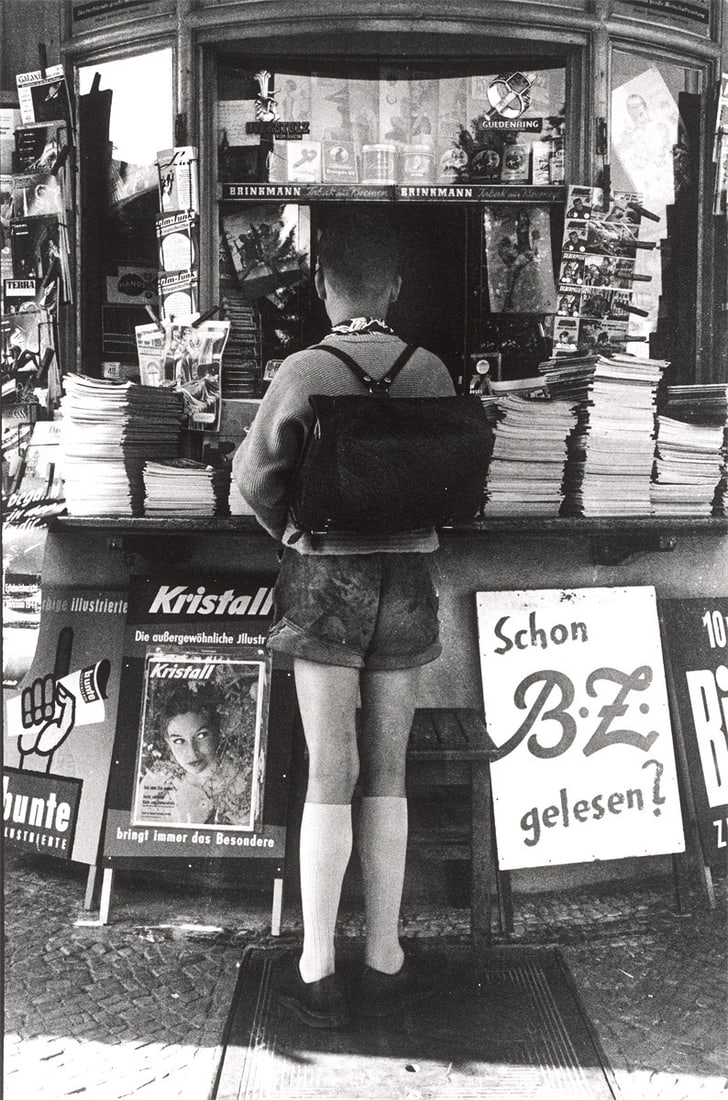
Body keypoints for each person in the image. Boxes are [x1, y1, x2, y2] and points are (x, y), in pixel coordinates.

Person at [233, 209, 453, 1030]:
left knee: (334, 767)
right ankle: (387, 958)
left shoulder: (302, 369)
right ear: (394, 285)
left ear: (322, 283)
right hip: (408, 575)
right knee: (388, 769)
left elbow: (252, 484)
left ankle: (318, 968)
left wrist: (291, 531)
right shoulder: (429, 367)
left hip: (325, 576)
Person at [136, 682, 254, 827]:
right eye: (179, 741)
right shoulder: (156, 782)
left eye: (201, 735)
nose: (192, 752)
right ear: (168, 741)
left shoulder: (245, 776)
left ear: (217, 731)